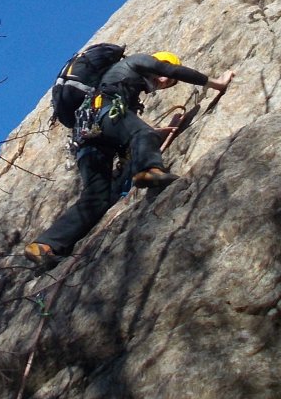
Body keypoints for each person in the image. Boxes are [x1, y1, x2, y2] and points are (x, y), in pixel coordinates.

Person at [25, 51, 235, 268]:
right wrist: (217, 84)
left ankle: (45, 245)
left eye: (169, 83)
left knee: (97, 198)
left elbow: (126, 130)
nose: (164, 81)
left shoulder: (125, 87)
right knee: (144, 134)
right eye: (164, 74)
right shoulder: (136, 61)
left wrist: (153, 133)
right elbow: (169, 76)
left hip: (88, 138)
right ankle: (150, 171)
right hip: (102, 119)